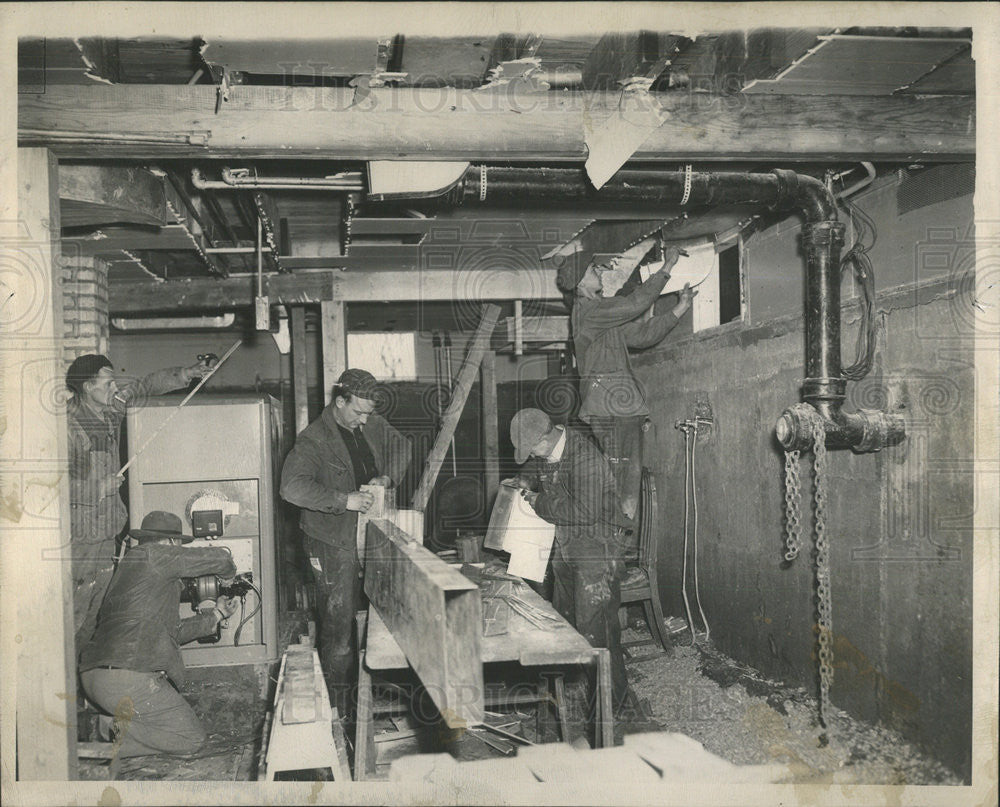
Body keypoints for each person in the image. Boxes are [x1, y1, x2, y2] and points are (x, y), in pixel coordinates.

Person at [279, 368, 412, 717]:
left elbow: (403, 446)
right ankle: (337, 711)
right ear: (340, 402)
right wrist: (343, 500)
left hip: (371, 534)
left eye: (369, 412)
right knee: (337, 628)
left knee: (381, 613)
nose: (365, 420)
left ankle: (367, 698)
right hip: (331, 542)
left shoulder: (368, 421)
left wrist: (387, 476)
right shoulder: (314, 440)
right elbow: (291, 488)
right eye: (358, 412)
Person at [65, 353, 214, 652]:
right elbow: (55, 492)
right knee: (75, 621)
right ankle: (70, 692)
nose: (114, 390)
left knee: (97, 618)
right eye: (107, 384)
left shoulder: (109, 413)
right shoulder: (69, 430)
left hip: (106, 536)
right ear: (86, 387)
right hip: (81, 541)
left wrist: (187, 373)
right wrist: (99, 487)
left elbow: (144, 387)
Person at [78, 510, 239, 757]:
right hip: (127, 678)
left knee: (170, 734)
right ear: (172, 543)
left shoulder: (130, 571)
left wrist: (216, 615)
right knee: (190, 739)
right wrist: (228, 575)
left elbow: (174, 631)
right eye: (177, 545)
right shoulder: (152, 554)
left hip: (96, 679)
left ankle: (100, 734)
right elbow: (219, 558)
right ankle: (104, 733)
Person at [508, 407, 630, 720]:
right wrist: (525, 484)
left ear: (545, 437)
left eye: (532, 448)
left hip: (597, 553)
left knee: (597, 633)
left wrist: (537, 503)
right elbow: (552, 485)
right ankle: (584, 693)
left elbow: (584, 512)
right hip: (567, 547)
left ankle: (610, 710)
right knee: (569, 624)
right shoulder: (549, 451)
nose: (532, 454)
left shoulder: (584, 458)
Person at [570, 240, 697, 525]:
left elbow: (642, 336)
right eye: (593, 270)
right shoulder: (588, 312)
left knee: (622, 479)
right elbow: (636, 303)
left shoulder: (601, 317)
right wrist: (667, 267)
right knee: (623, 482)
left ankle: (613, 545)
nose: (600, 273)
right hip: (613, 407)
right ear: (579, 283)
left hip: (617, 407)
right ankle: (613, 548)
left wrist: (680, 308)